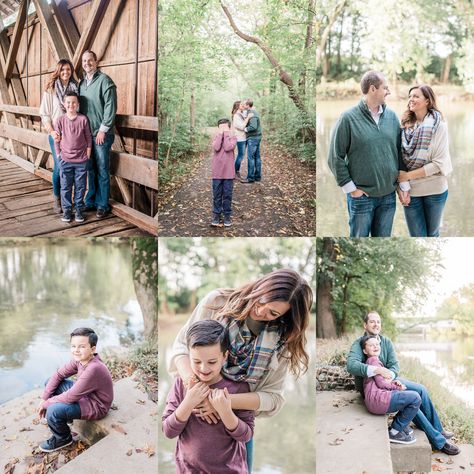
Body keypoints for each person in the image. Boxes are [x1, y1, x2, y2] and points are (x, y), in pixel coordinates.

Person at [168, 268, 313, 471]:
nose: (261, 311)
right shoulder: (217, 302)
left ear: (284, 316)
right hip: (194, 423)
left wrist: (221, 403)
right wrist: (196, 390)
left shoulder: (282, 341)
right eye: (262, 300)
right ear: (260, 287)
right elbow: (182, 348)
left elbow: (273, 398)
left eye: (273, 313)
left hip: (235, 426)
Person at [346, 311, 460, 455]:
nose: (376, 324)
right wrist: (377, 370)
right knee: (411, 399)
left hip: (389, 381)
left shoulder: (386, 342)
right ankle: (438, 441)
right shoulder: (359, 344)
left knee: (421, 389)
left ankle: (438, 429)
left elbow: (394, 365)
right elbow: (351, 365)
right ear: (365, 325)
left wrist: (390, 375)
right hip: (374, 388)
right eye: (372, 321)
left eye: (378, 322)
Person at [162, 320, 254, 473]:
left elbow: (246, 436)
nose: (203, 368)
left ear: (224, 357)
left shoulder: (239, 388)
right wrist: (189, 402)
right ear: (189, 355)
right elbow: (168, 431)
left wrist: (225, 411)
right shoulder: (181, 384)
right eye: (196, 361)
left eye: (212, 362)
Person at [327, 70, 410, 237]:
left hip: (388, 198)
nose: (388, 92)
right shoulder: (348, 118)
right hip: (361, 197)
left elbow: (400, 154)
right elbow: (334, 157)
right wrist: (351, 189)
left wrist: (403, 185)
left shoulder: (392, 117)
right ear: (373, 89)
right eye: (385, 88)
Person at [37, 328, 113, 453]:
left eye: (81, 346)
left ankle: (63, 438)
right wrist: (44, 398)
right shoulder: (80, 359)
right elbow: (58, 375)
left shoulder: (94, 368)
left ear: (93, 349)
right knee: (50, 382)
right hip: (84, 394)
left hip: (96, 404)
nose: (76, 350)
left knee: (53, 410)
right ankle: (66, 417)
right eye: (73, 346)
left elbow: (70, 397)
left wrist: (47, 403)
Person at [397, 85, 452, 237]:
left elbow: (439, 164)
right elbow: (399, 160)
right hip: (411, 191)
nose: (411, 99)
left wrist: (407, 176)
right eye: (410, 96)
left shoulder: (439, 126)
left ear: (427, 100)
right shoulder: (404, 127)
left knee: (432, 235)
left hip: (435, 190)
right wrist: (402, 186)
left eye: (416, 96)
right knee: (416, 236)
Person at [361, 335, 421, 444]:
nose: (375, 346)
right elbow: (381, 383)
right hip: (378, 400)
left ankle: (400, 425)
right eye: (371, 345)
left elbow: (379, 381)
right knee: (415, 398)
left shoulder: (372, 361)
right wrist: (398, 387)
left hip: (374, 400)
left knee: (405, 397)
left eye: (377, 344)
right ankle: (394, 432)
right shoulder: (374, 361)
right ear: (365, 351)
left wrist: (393, 383)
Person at [79, 50, 117, 219]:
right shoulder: (81, 84)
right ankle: (91, 201)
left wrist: (103, 130)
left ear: (96, 61)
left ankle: (103, 205)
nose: (87, 63)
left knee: (102, 169)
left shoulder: (105, 81)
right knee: (90, 169)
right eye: (84, 61)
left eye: (90, 60)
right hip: (87, 136)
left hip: (101, 134)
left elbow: (110, 107)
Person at [39, 59, 79, 214]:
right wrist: (51, 131)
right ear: (58, 71)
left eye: (68, 69)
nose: (65, 72)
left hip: (73, 135)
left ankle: (69, 199)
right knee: (59, 166)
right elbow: (44, 113)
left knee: (73, 168)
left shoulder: (76, 87)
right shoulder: (51, 89)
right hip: (57, 134)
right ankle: (57, 199)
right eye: (62, 70)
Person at [55, 92, 92, 223]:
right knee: (65, 186)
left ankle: (79, 210)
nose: (71, 105)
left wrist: (88, 152)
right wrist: (59, 154)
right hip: (65, 159)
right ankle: (66, 211)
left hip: (81, 160)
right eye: (68, 102)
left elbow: (88, 137)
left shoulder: (83, 119)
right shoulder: (60, 120)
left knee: (81, 186)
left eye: (74, 102)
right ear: (64, 105)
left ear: (78, 105)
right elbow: (56, 139)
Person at [211, 118, 237, 228]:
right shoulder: (216, 137)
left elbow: (227, 147)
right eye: (221, 127)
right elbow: (217, 147)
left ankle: (227, 216)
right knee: (217, 195)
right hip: (217, 173)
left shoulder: (233, 138)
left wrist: (226, 134)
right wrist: (220, 134)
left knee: (227, 195)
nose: (223, 129)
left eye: (225, 127)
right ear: (218, 128)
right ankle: (216, 215)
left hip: (228, 173)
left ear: (229, 128)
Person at [240, 99, 262, 184]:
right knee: (257, 157)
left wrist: (245, 129)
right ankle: (257, 177)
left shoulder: (252, 114)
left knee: (251, 157)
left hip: (253, 138)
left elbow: (253, 126)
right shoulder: (251, 111)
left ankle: (250, 178)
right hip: (256, 137)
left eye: (244, 104)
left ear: (248, 105)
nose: (243, 105)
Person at [231, 101, 253, 180]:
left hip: (244, 137)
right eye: (241, 104)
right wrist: (248, 118)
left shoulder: (240, 113)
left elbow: (246, 114)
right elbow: (241, 127)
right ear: (237, 106)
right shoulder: (236, 116)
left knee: (241, 155)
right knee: (241, 155)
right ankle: (234, 171)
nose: (243, 105)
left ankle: (235, 171)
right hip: (240, 138)